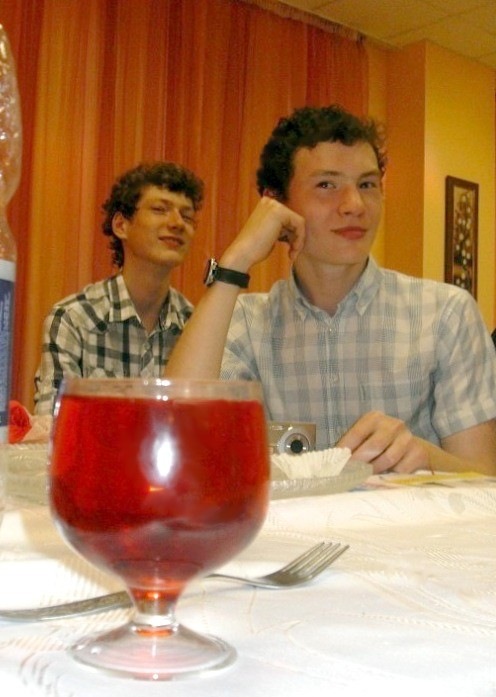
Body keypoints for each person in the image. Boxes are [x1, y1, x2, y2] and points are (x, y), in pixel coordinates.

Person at [164, 105, 496, 475]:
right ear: (275, 203)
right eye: (326, 185)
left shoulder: (445, 314)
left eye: (367, 185)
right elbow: (174, 434)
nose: (355, 205)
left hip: (408, 515)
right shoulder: (247, 323)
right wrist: (236, 261)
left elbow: (484, 479)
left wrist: (425, 456)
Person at [34, 161, 204, 415]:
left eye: (187, 216)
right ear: (121, 226)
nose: (177, 223)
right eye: (160, 209)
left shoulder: (196, 327)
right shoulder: (73, 318)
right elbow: (54, 425)